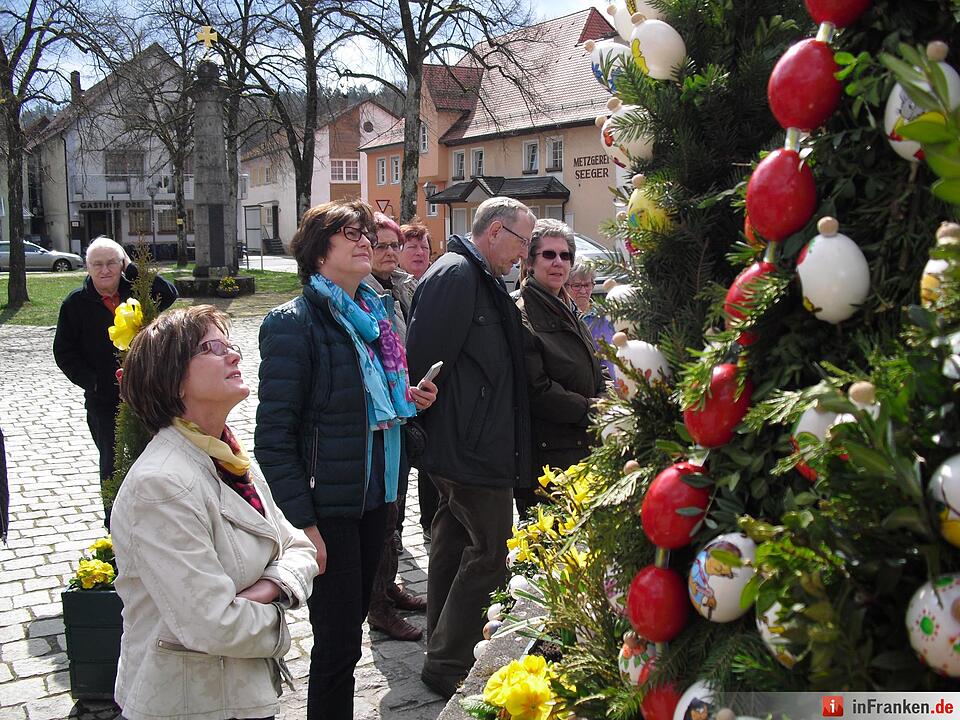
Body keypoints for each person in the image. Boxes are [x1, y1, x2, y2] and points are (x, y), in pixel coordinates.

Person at [255, 200, 437, 720]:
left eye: (367, 234)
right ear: (318, 250)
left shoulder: (374, 315)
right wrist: (304, 523)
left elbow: (373, 403)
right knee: (337, 647)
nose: (365, 242)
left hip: (377, 495)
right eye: (349, 233)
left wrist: (411, 399)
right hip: (330, 509)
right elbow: (273, 438)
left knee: (354, 630)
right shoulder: (294, 323)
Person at [110, 305, 319, 720]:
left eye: (230, 344)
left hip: (239, 692)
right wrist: (283, 618)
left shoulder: (230, 456)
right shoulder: (161, 484)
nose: (234, 355)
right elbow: (214, 623)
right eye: (212, 347)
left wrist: (267, 590)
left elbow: (299, 545)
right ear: (173, 380)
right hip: (190, 703)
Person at [406, 196, 534, 698]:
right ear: (497, 231)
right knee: (492, 550)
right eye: (523, 243)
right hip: (466, 446)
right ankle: (448, 662)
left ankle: (441, 642)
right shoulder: (456, 275)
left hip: (470, 441)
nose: (523, 255)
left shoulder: (474, 274)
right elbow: (423, 367)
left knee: (455, 541)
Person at [53, 236, 177, 527]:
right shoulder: (75, 303)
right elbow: (64, 352)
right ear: (87, 267)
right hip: (104, 400)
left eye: (112, 262)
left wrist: (132, 269)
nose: (105, 270)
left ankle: (158, 519)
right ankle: (116, 524)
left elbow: (169, 294)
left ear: (122, 264)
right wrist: (93, 382)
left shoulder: (134, 290)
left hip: (147, 394)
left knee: (157, 456)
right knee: (112, 461)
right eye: (97, 264)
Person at [365, 212, 427, 642]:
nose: (389, 252)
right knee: (381, 515)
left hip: (402, 412)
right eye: (381, 245)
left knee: (396, 511)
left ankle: (388, 587)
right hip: (376, 422)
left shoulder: (401, 288)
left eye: (393, 245)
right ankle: (378, 606)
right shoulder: (361, 295)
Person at [517, 220, 605, 516]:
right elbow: (536, 389)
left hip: (582, 445)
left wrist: (606, 398)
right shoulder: (523, 312)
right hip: (549, 455)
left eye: (565, 255)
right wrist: (591, 409)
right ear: (530, 262)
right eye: (549, 255)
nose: (558, 262)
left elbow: (594, 362)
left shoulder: (569, 307)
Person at [399, 221, 440, 541]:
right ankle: (394, 530)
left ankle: (430, 522)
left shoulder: (434, 284)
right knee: (398, 467)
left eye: (424, 246)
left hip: (429, 388)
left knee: (430, 459)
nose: (419, 252)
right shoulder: (386, 290)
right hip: (399, 390)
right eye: (411, 246)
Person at [566, 261, 617, 382]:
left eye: (587, 285)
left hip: (609, 383)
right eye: (577, 286)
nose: (583, 291)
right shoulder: (562, 316)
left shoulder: (605, 316)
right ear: (565, 285)